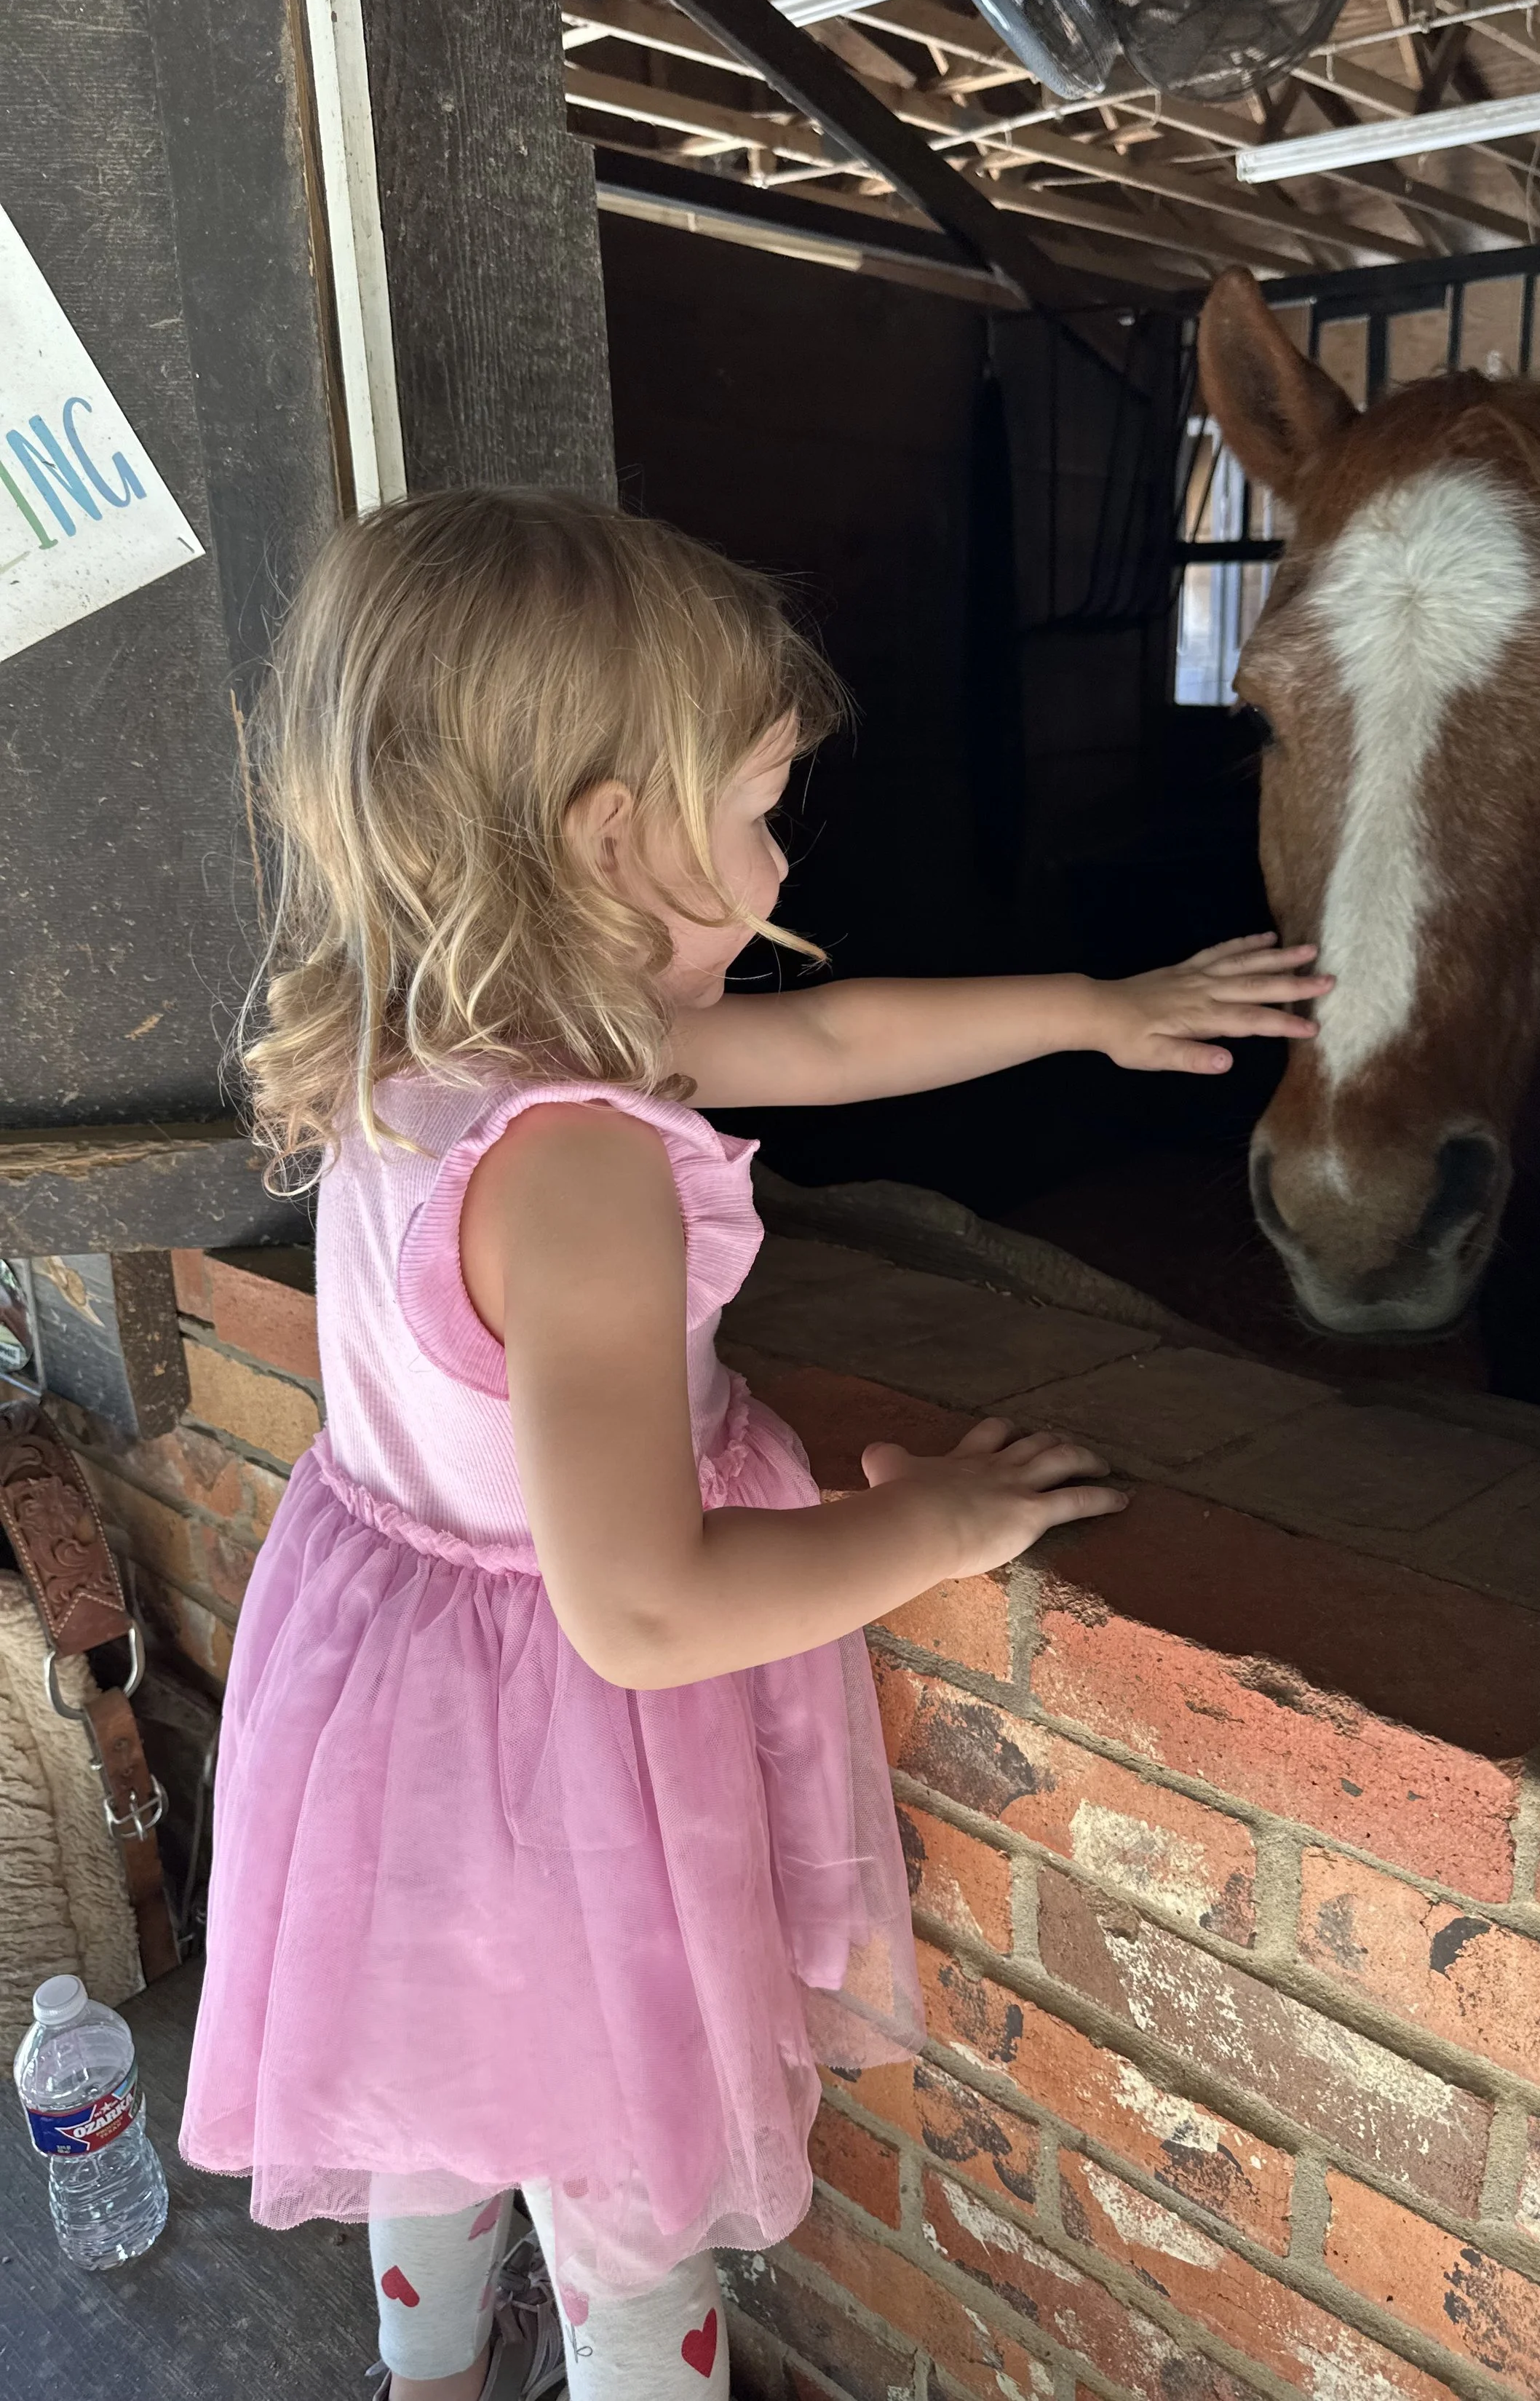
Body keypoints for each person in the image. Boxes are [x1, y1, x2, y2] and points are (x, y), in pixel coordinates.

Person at [178, 491, 1330, 2401]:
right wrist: (939, 1524)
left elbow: (834, 1040)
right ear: (611, 838)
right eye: (763, 803)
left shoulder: (439, 1037)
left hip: (396, 1699)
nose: (786, 852)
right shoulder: (585, 1166)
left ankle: (431, 2377)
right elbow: (639, 1608)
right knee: (627, 2191)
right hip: (565, 1746)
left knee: (441, 2096)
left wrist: (1097, 1008)